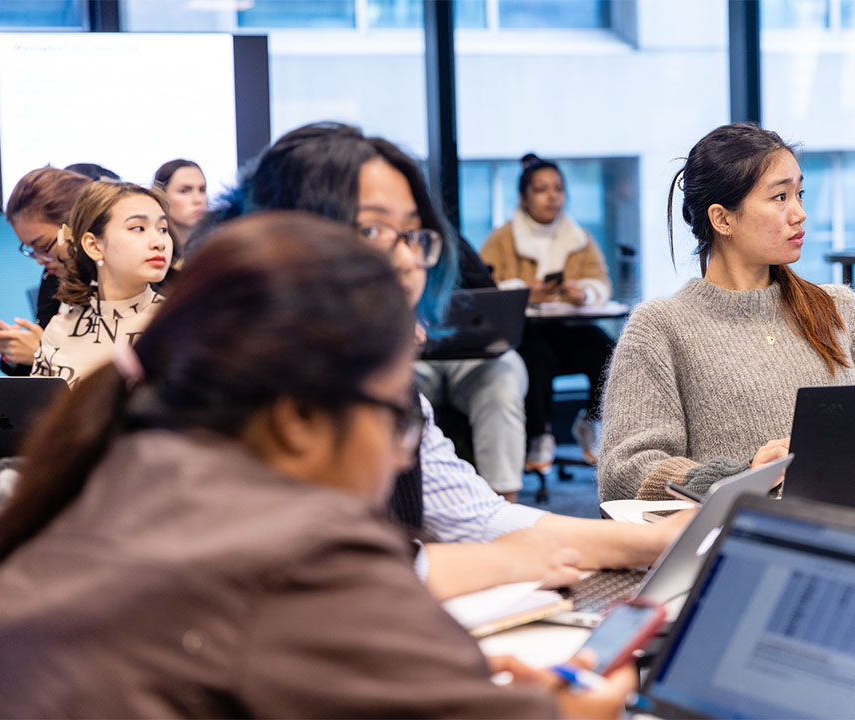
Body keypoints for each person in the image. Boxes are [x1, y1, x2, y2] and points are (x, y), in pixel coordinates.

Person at [0, 212, 634, 718]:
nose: (404, 449)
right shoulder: (297, 550)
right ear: (297, 416)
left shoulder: (116, 469)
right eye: (395, 415)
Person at [204, 122, 693, 600]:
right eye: (372, 228)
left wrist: (653, 542)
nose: (405, 258)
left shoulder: (389, 391)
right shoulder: (232, 390)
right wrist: (508, 562)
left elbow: (476, 515)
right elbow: (327, 578)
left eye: (413, 235)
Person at [598, 123, 855, 502]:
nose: (800, 213)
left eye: (800, 194)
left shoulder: (839, 307)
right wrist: (742, 476)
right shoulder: (660, 326)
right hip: (743, 542)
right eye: (780, 197)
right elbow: (625, 469)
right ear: (722, 219)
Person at [480, 159, 615, 469]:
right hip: (524, 333)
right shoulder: (501, 239)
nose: (552, 197)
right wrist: (525, 292)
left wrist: (585, 293)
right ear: (523, 197)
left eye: (558, 189)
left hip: (567, 328)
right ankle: (539, 434)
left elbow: (601, 282)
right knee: (537, 355)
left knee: (606, 349)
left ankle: (591, 421)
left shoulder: (578, 238)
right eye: (541, 190)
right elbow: (483, 286)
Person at [414, 236, 530, 502]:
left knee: (502, 380)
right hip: (405, 357)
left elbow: (489, 298)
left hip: (466, 354)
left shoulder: (444, 239)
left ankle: (504, 503)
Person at [30, 181, 173, 388]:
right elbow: (40, 416)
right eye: (138, 228)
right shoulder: (60, 329)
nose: (159, 241)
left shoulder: (178, 322)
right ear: (93, 245)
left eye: (163, 229)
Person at [0, 168, 93, 374]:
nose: (39, 260)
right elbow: (45, 376)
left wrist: (45, 354)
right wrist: (15, 349)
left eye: (44, 246)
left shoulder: (125, 287)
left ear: (79, 227)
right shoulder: (52, 279)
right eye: (30, 249)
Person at [153, 158, 207, 253]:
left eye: (202, 190)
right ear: (161, 196)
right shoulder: (153, 248)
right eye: (184, 190)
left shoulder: (217, 246)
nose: (198, 199)